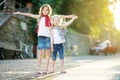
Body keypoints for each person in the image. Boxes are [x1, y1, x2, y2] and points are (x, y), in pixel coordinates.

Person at [14, 4, 53, 74]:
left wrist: (52, 42)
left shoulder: (50, 19)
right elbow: (29, 14)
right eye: (44, 10)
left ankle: (46, 69)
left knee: (47, 54)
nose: (45, 11)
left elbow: (51, 30)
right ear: (42, 10)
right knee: (40, 54)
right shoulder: (39, 17)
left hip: (47, 37)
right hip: (41, 37)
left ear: (48, 11)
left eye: (47, 10)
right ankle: (39, 69)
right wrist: (20, 13)